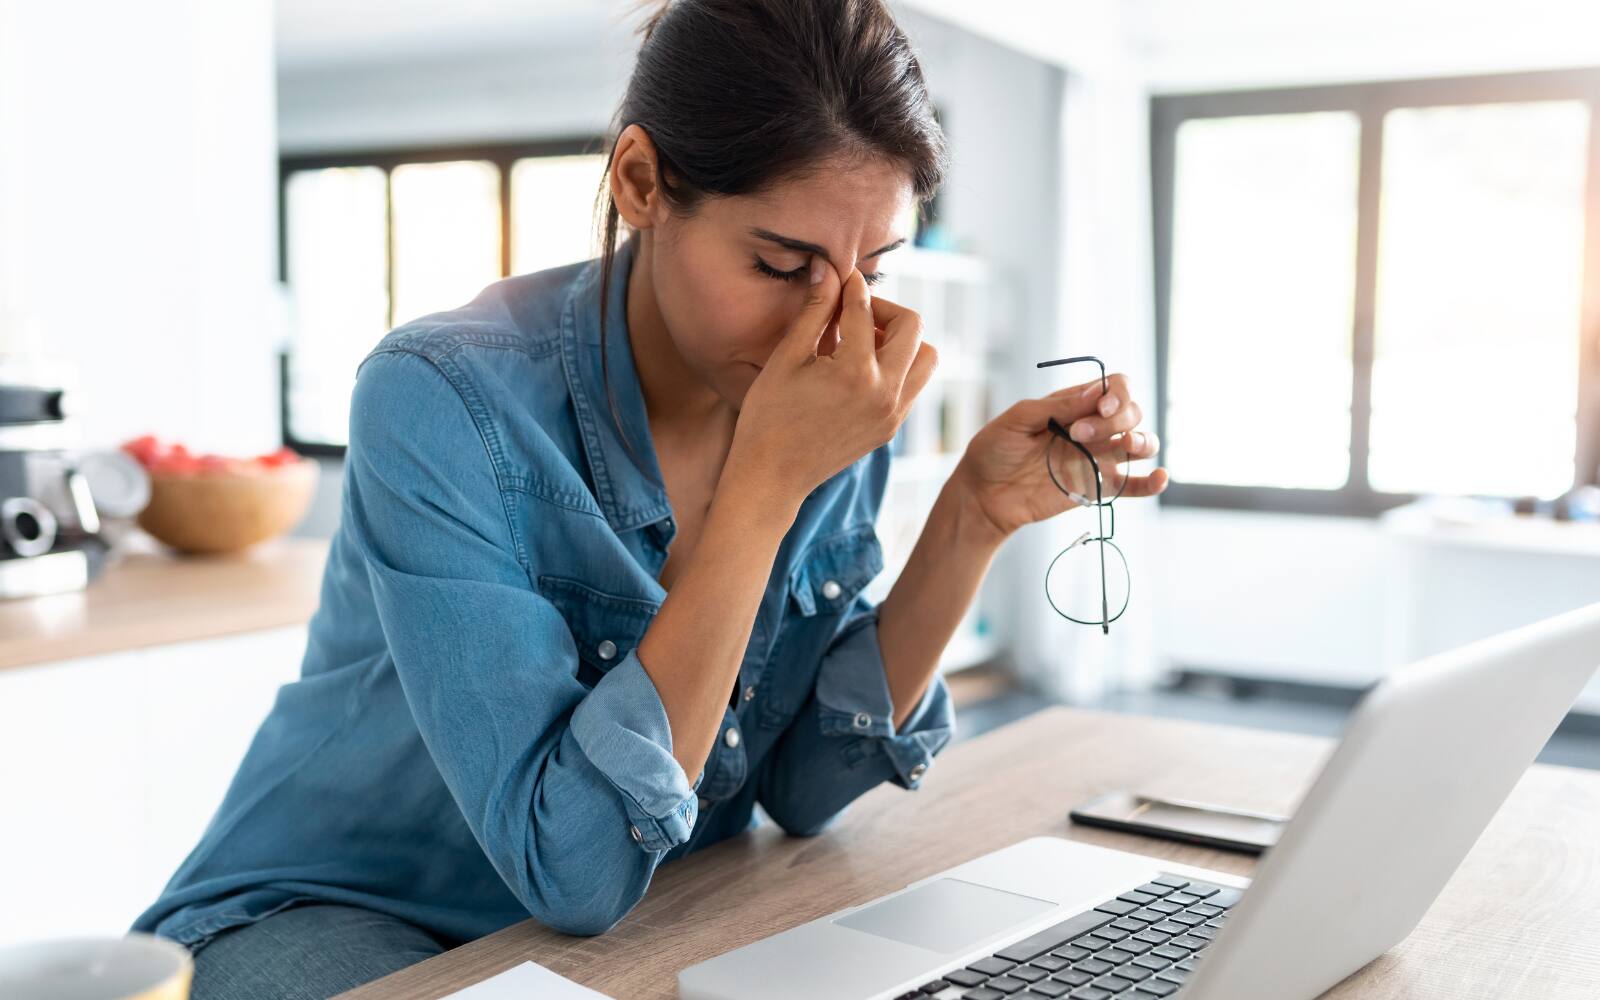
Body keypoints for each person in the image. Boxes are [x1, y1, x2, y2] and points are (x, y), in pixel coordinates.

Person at [131, 0, 1168, 996]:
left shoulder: (813, 390)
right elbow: (571, 866)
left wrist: (969, 518)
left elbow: (805, 786)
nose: (834, 326)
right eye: (780, 261)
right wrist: (764, 488)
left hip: (617, 923)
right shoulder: (441, 397)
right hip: (336, 913)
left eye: (874, 265)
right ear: (638, 180)